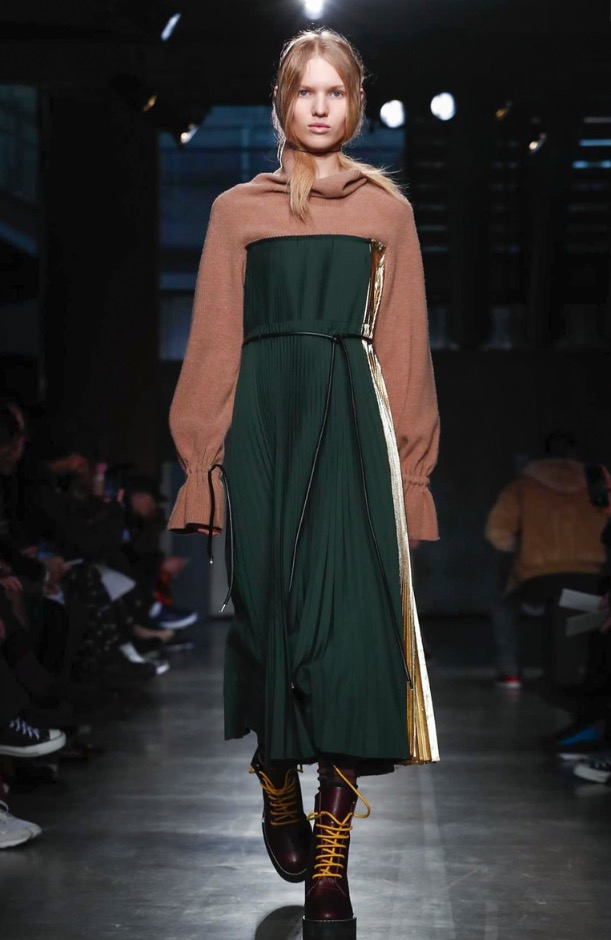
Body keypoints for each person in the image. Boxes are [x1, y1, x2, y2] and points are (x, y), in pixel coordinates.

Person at [168, 28, 440, 938]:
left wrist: (412, 476)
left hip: (356, 432)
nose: (319, 106)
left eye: (335, 91)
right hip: (263, 431)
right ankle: (274, 773)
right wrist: (202, 465)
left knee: (353, 637)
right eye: (303, 91)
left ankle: (333, 853)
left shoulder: (385, 213)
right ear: (281, 103)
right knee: (268, 618)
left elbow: (404, 350)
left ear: (354, 104)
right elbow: (214, 341)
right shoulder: (236, 210)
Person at [485, 431, 609, 689]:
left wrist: (521, 547)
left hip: (539, 583)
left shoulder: (522, 486)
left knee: (502, 602)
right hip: (590, 583)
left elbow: (497, 533)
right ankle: (591, 671)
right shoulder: (597, 487)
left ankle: (510, 672)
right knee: (591, 610)